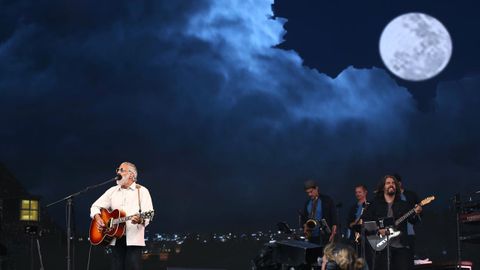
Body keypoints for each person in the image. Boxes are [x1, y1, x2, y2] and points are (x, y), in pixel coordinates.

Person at [90, 162, 154, 270]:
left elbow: (149, 213)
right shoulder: (112, 191)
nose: (118, 172)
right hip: (115, 238)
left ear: (131, 175)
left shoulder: (142, 191)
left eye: (122, 170)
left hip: (133, 238)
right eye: (118, 170)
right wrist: (98, 218)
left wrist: (140, 220)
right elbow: (95, 206)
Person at [361, 175, 422, 270]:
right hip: (382, 247)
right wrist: (378, 230)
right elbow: (365, 221)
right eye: (388, 183)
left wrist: (417, 213)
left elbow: (413, 221)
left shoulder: (403, 204)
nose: (391, 185)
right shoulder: (375, 205)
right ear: (383, 187)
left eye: (393, 183)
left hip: (401, 246)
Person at [300, 180, 338, 245]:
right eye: (308, 193)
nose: (309, 194)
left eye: (311, 192)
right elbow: (304, 219)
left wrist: (333, 233)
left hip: (324, 236)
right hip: (311, 237)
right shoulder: (307, 203)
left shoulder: (327, 200)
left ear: (316, 188)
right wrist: (305, 226)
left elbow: (334, 217)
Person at [393, 173, 421, 257]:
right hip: (393, 234)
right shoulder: (391, 197)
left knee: (408, 257)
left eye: (394, 183)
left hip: (409, 232)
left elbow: (418, 215)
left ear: (399, 183)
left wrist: (417, 212)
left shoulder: (411, 195)